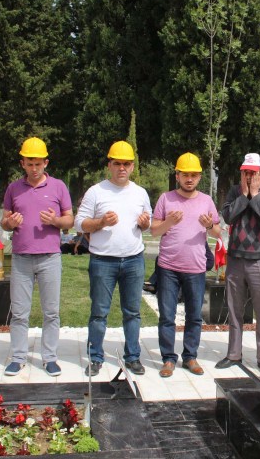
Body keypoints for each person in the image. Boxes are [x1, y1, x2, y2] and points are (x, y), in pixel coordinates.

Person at [74, 140, 151, 377]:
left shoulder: (140, 193)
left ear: (133, 166)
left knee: (133, 312)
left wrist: (145, 223)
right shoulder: (96, 191)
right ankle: (96, 357)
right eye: (117, 163)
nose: (122, 168)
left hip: (133, 260)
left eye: (126, 163)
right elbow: (79, 223)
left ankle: (133, 357)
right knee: (99, 312)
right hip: (103, 261)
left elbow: (147, 224)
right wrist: (101, 222)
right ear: (109, 165)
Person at [1, 137, 74, 377]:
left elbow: (70, 220)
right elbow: (4, 221)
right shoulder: (13, 188)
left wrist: (55, 220)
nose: (34, 168)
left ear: (46, 163)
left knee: (51, 312)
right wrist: (10, 223)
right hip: (21, 258)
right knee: (19, 312)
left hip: (50, 257)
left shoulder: (58, 186)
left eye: (38, 164)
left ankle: (49, 358)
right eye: (30, 164)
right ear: (22, 163)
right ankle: (18, 357)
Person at [150, 153, 221, 378]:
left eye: (193, 175)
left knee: (194, 316)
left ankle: (190, 356)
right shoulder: (166, 199)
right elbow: (154, 231)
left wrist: (209, 226)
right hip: (168, 267)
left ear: (199, 177)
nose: (189, 179)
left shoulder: (206, 201)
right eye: (185, 174)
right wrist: (169, 222)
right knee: (167, 316)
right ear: (177, 175)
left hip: (196, 268)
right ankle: (168, 358)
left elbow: (217, 233)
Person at [215, 153, 260, 375]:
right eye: (245, 172)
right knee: (234, 310)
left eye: (253, 172)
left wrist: (254, 195)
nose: (248, 176)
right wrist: (244, 195)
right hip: (236, 259)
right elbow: (228, 216)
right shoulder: (235, 192)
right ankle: (234, 354)